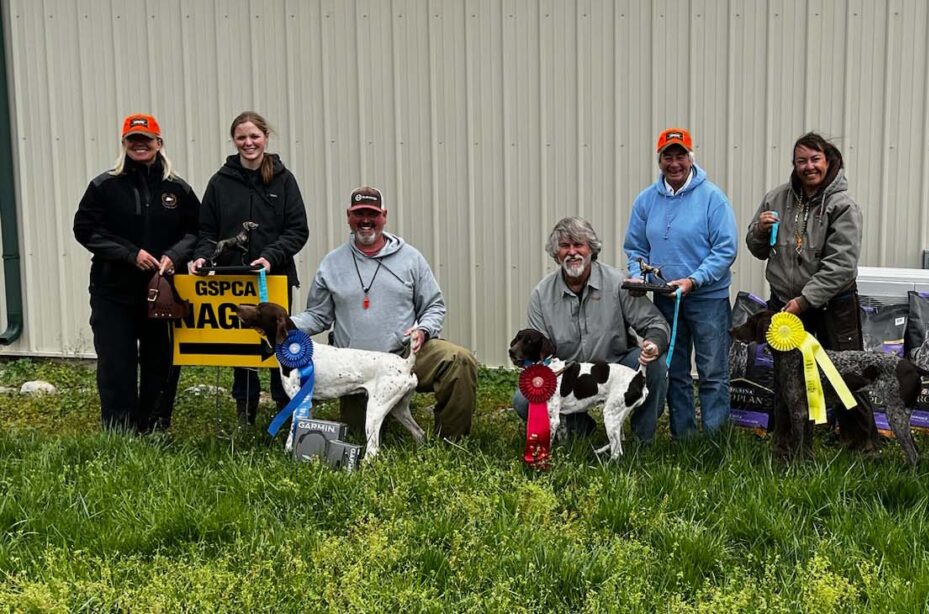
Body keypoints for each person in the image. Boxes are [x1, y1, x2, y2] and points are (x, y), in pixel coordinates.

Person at [290, 186, 478, 438]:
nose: (365, 220)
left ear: (384, 216)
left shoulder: (411, 259)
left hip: (406, 354)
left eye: (372, 214)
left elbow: (434, 306)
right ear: (348, 216)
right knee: (357, 436)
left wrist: (423, 330)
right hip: (356, 364)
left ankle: (452, 441)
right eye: (359, 214)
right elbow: (318, 316)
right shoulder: (331, 264)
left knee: (458, 359)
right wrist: (284, 324)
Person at [744, 132, 875, 447]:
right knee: (786, 379)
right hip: (784, 306)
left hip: (833, 304)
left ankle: (862, 449)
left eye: (815, 159)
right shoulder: (776, 198)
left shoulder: (843, 206)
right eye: (801, 160)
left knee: (847, 377)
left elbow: (841, 265)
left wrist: (805, 301)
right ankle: (788, 448)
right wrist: (760, 231)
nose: (809, 167)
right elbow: (755, 247)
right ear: (794, 164)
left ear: (828, 161)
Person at [72, 113, 200, 433]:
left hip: (162, 294)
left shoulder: (178, 189)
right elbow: (85, 229)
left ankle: (155, 428)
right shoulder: (104, 186)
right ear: (124, 143)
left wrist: (175, 255)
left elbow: (196, 231)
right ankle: (119, 430)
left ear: (159, 143)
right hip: (112, 291)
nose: (140, 145)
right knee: (117, 364)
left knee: (161, 363)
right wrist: (129, 254)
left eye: (147, 140)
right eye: (133, 140)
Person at [190, 112, 309, 426]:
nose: (248, 143)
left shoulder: (284, 180)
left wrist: (271, 255)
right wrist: (203, 257)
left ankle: (285, 415)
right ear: (234, 141)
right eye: (241, 137)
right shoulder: (220, 182)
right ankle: (245, 416)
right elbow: (206, 232)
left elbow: (298, 230)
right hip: (234, 281)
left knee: (280, 348)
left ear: (265, 138)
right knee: (241, 350)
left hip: (275, 280)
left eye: (254, 136)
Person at [623, 128, 737, 438]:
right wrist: (638, 274)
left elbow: (725, 249)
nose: (674, 163)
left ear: (691, 158)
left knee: (713, 371)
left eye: (680, 155)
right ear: (659, 160)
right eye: (667, 156)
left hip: (707, 298)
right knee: (675, 371)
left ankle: (715, 441)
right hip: (665, 298)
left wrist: (694, 280)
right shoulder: (646, 200)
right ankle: (683, 438)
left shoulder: (713, 198)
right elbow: (635, 247)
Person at [516, 217, 670, 443]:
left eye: (578, 244)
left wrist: (654, 342)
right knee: (523, 400)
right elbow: (537, 356)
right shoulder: (541, 295)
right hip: (568, 378)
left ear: (591, 249)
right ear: (555, 253)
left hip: (617, 365)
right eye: (564, 246)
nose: (572, 252)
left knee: (654, 363)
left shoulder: (618, 282)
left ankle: (642, 439)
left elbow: (655, 323)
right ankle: (580, 430)